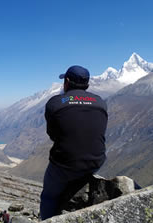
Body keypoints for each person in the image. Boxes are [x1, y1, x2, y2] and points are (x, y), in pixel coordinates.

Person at [40, 65, 108, 220]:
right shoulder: (100, 102)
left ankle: (48, 219)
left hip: (65, 165)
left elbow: (53, 134)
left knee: (48, 197)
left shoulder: (54, 103)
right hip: (96, 161)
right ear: (87, 84)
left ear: (67, 82)